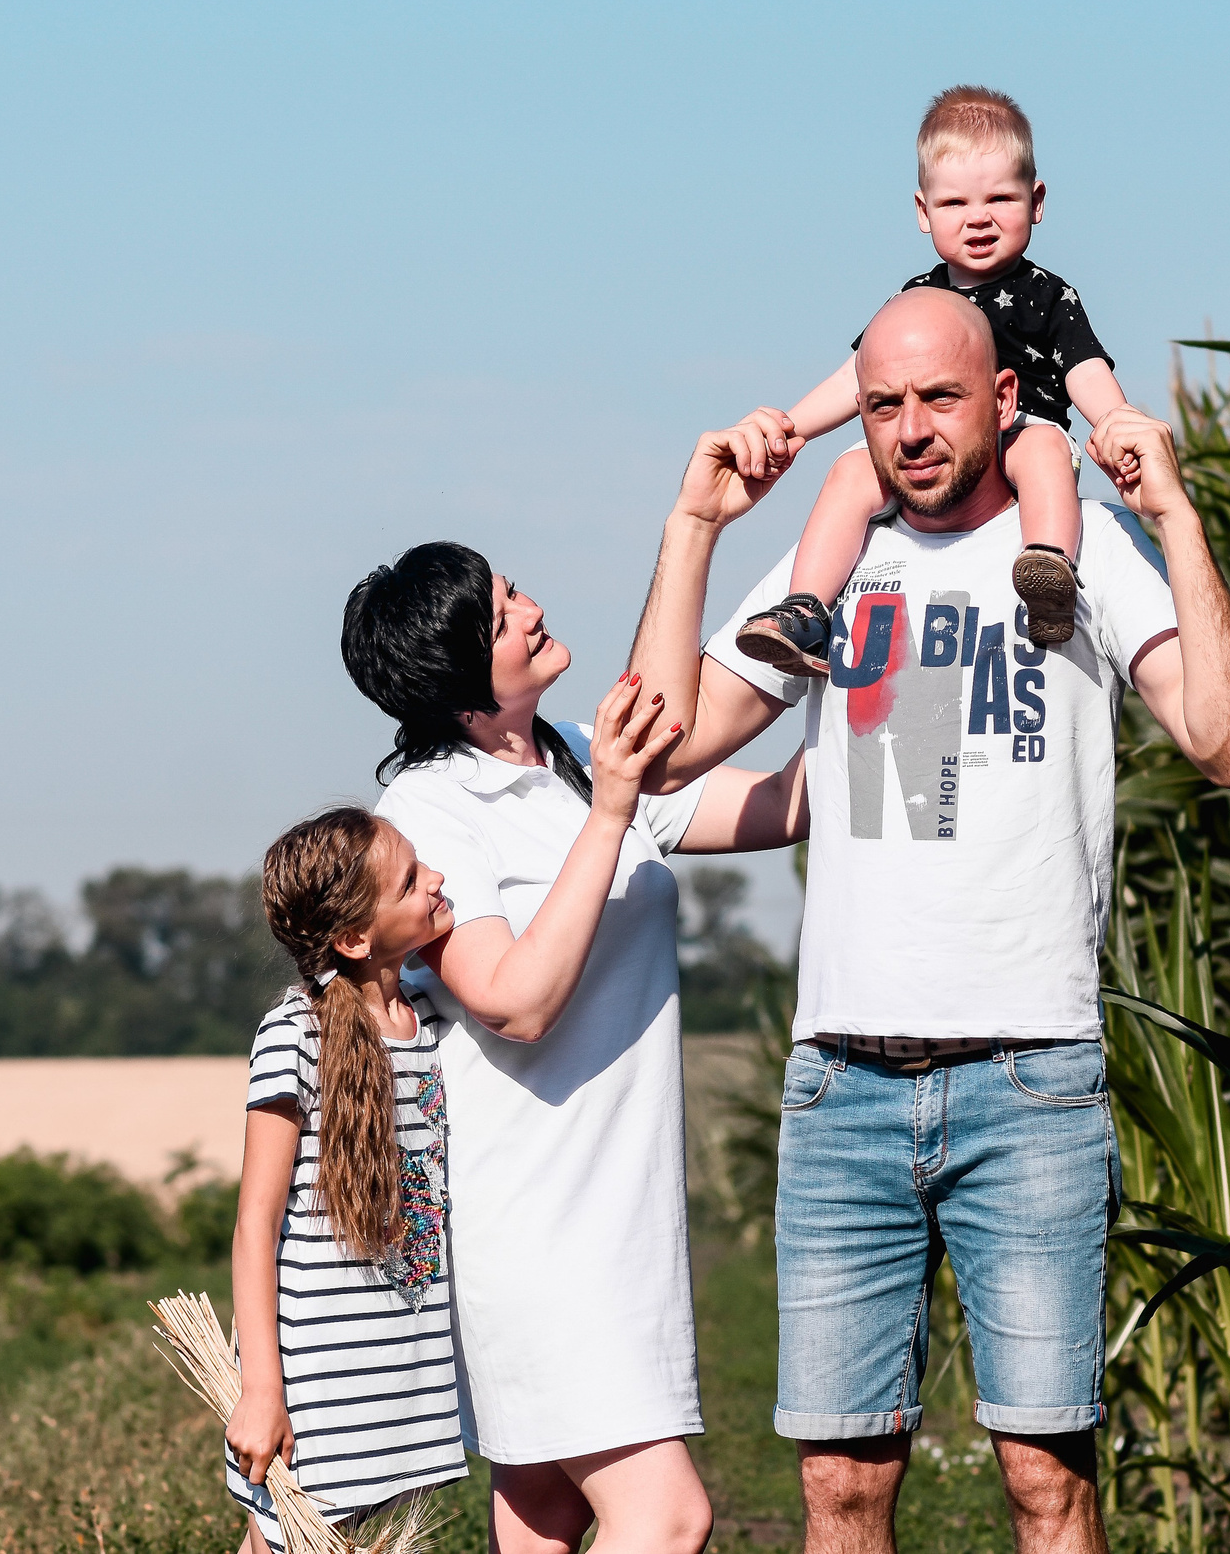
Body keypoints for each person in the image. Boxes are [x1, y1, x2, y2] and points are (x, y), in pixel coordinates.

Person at [630, 286, 1230, 1554]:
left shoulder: (1077, 542)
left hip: (1028, 1081)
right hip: (842, 1086)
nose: (911, 428)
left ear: (1002, 397)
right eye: (882, 405)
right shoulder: (831, 566)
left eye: (937, 398)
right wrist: (693, 528)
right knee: (840, 1495)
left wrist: (1175, 517)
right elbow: (661, 751)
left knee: (1047, 1485)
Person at [342, 542, 810, 1554]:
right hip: (534, 1224)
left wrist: (872, 692)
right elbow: (513, 1003)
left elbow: (777, 807)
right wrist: (611, 808)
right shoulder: (428, 812)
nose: (535, 608)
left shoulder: (563, 754)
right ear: (458, 667)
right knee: (668, 1517)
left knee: (544, 1517)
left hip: (616, 1210)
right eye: (506, 609)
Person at [734, 85, 1149, 668]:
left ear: (1037, 202)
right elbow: (859, 378)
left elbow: (1084, 366)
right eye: (954, 204)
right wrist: (791, 428)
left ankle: (1048, 571)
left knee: (1043, 455)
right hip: (935, 444)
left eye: (1000, 198)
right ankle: (805, 611)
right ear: (924, 213)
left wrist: (1115, 424)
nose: (978, 218)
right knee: (852, 471)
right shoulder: (917, 300)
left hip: (1025, 428)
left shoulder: (1047, 295)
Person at [221, 807, 469, 1552]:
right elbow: (254, 1225)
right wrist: (263, 1388)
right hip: (318, 1373)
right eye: (411, 880)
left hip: (403, 1361)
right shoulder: (294, 1032)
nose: (437, 881)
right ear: (356, 937)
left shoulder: (430, 1020)